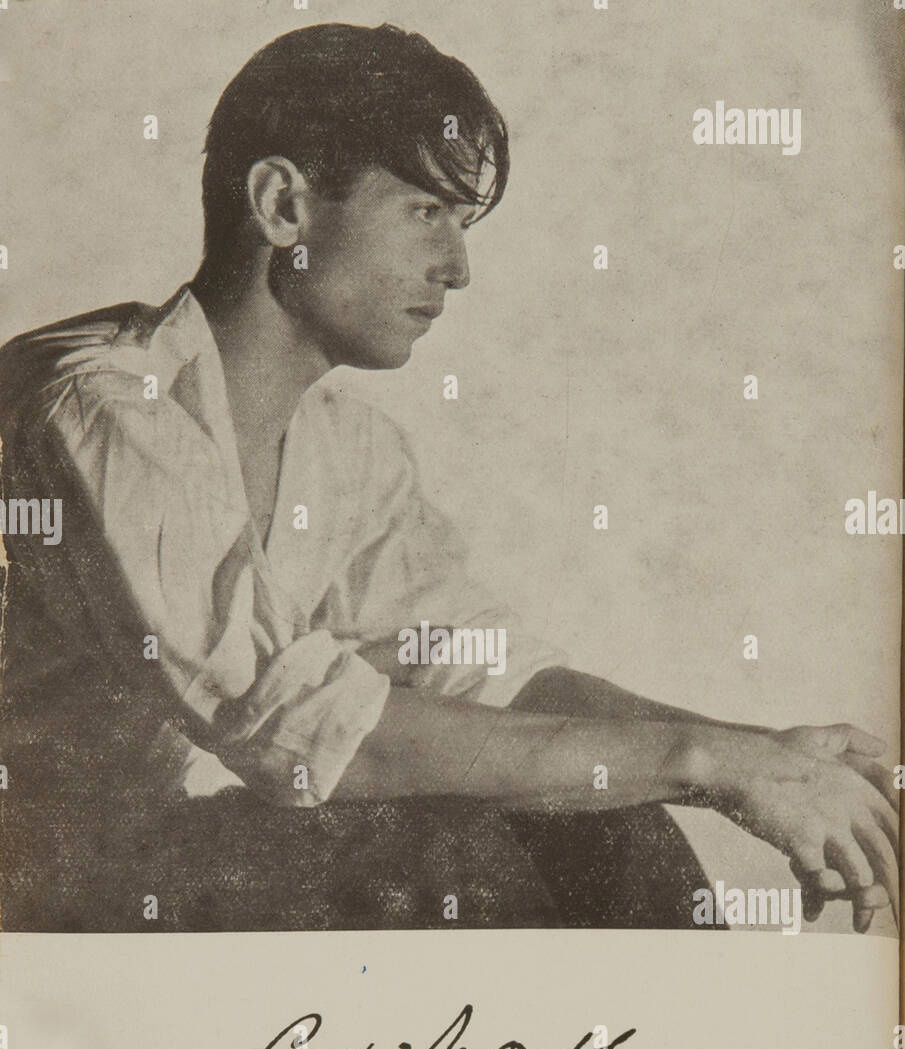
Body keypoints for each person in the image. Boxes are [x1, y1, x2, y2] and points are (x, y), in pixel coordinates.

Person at [0, 22, 896, 933]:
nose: (458, 270)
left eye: (460, 225)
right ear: (282, 208)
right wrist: (703, 760)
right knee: (443, 851)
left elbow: (488, 674)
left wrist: (768, 759)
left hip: (158, 876)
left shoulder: (347, 448)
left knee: (607, 823)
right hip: (42, 911)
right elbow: (309, 742)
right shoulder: (105, 413)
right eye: (426, 212)